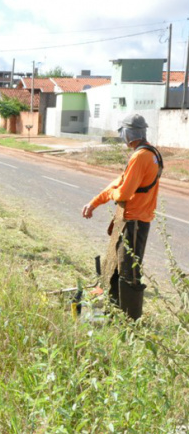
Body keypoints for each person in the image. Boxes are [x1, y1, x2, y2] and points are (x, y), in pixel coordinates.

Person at [82, 114, 163, 321]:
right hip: (131, 220)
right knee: (116, 268)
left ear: (128, 133)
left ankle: (130, 322)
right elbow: (118, 183)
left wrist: (113, 195)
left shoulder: (140, 156)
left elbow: (123, 193)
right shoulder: (151, 153)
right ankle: (113, 313)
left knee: (129, 273)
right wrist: (95, 202)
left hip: (134, 222)